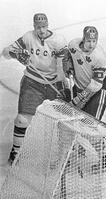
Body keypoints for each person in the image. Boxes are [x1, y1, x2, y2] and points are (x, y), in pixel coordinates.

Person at [1, 13, 67, 164]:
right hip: (32, 83)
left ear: (48, 25)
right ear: (34, 27)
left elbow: (60, 69)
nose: (42, 31)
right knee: (22, 120)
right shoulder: (28, 37)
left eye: (44, 27)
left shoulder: (58, 41)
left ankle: (62, 156)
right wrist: (16, 54)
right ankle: (16, 152)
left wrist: (62, 85)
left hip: (54, 84)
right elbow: (5, 52)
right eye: (38, 27)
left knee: (61, 123)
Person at [62, 26, 106, 120]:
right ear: (83, 39)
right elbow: (67, 52)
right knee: (74, 122)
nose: (91, 45)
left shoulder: (100, 57)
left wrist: (80, 99)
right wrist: (67, 61)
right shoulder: (73, 45)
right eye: (88, 41)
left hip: (96, 92)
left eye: (94, 41)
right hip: (78, 88)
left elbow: (96, 84)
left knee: (90, 123)